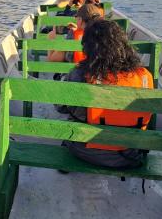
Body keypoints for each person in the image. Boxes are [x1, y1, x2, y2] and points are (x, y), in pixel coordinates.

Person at [64, 19, 154, 168]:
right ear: (124, 45)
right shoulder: (144, 76)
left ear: (88, 48)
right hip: (130, 154)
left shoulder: (80, 74)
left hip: (87, 151)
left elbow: (61, 107)